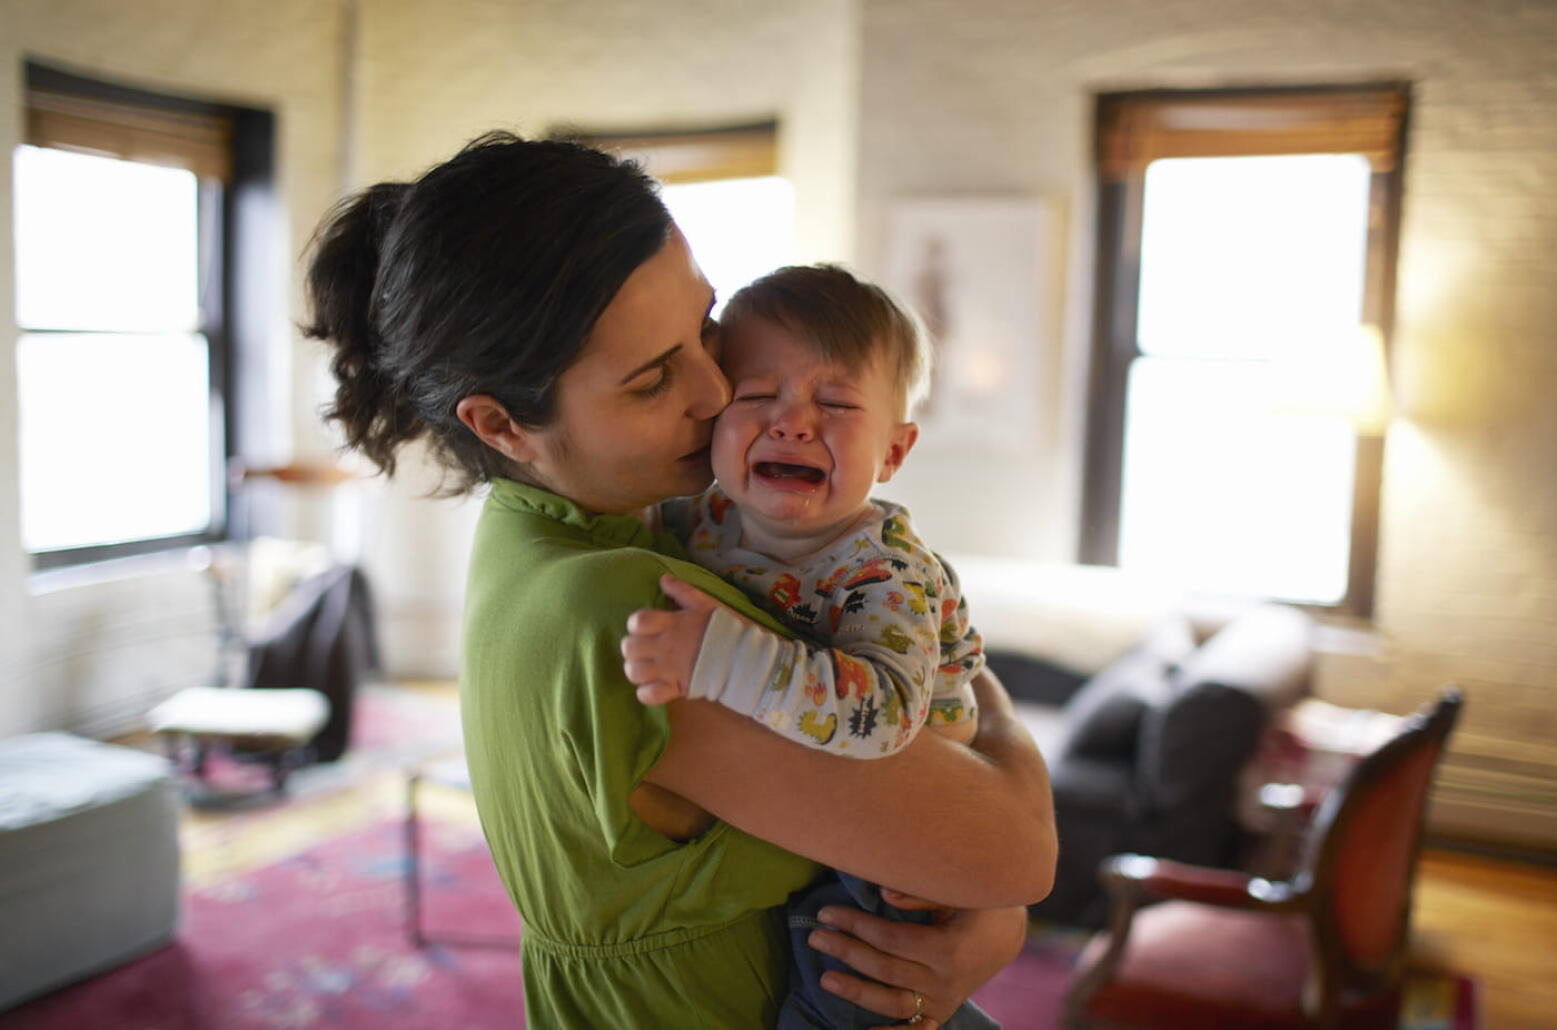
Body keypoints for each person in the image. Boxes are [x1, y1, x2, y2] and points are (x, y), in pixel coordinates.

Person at [304, 130, 1056, 1029]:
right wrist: (996, 893)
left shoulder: (591, 531)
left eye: (703, 329)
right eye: (655, 377)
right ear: (502, 423)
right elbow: (1013, 852)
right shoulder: (631, 612)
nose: (717, 391)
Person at [620, 263, 997, 1028]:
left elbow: (884, 717)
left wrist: (719, 659)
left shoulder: (885, 573)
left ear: (893, 453)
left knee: (852, 986)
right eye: (756, 395)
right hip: (797, 799)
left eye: (836, 403)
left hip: (895, 834)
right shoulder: (702, 518)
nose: (793, 423)